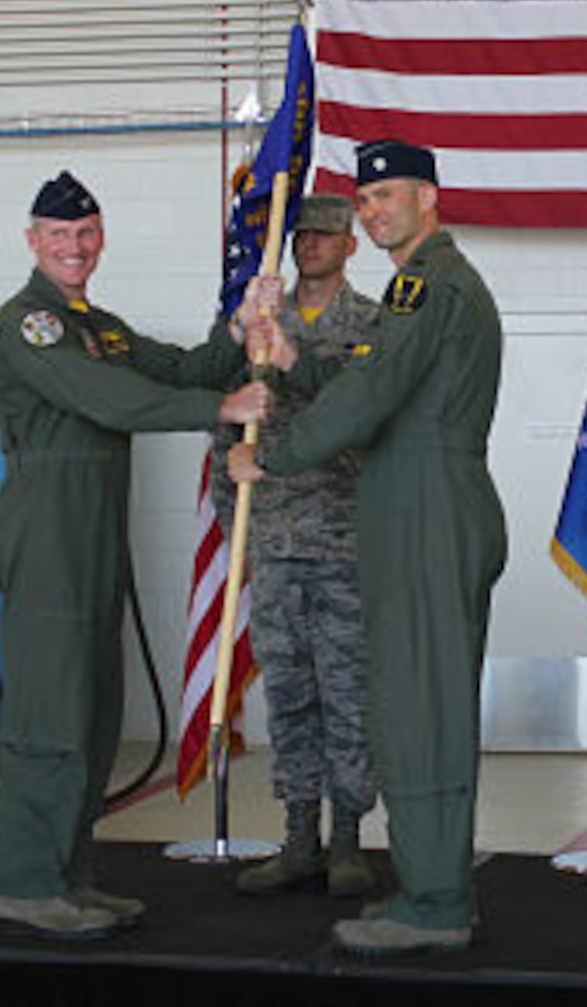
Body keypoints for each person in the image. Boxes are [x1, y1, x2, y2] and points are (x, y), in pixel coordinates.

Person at [228, 139, 504, 956]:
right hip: (424, 503)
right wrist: (292, 361)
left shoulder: (426, 284)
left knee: (421, 713)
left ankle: (437, 902)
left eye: (392, 195)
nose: (377, 210)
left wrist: (268, 455)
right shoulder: (428, 285)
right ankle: (433, 888)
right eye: (369, 199)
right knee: (421, 708)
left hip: (425, 507)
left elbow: (376, 394)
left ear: (430, 198)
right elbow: (370, 375)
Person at [0, 169, 265, 940]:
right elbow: (110, 400)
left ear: (100, 238)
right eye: (59, 237)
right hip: (48, 530)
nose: (74, 248)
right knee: (51, 716)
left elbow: (174, 369)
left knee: (93, 713)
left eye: (85, 234)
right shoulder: (29, 327)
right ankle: (30, 884)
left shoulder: (97, 324)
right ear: (34, 242)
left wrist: (237, 334)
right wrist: (222, 407)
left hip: (94, 531)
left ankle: (69, 876)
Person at [214, 194, 380, 900]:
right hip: (276, 544)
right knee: (289, 695)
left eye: (327, 234)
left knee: (348, 695)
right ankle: (296, 837)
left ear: (351, 246)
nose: (311, 243)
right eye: (302, 233)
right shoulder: (254, 329)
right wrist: (239, 535)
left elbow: (374, 421)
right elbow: (225, 444)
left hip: (346, 543)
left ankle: (347, 839)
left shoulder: (372, 325)